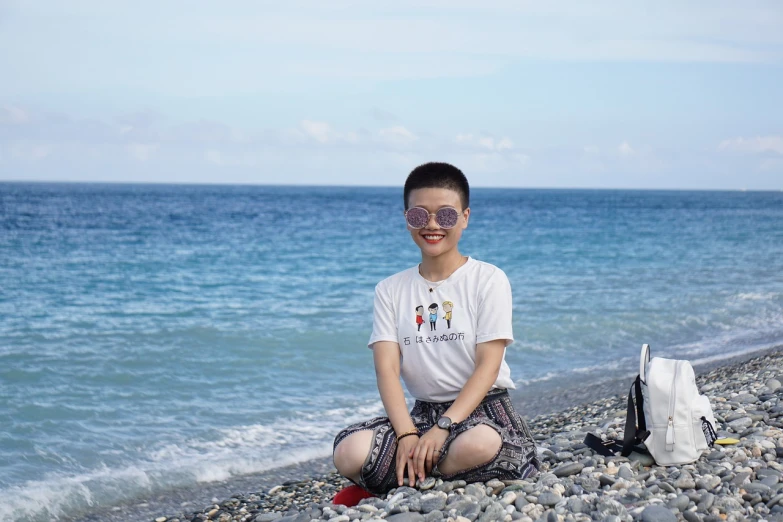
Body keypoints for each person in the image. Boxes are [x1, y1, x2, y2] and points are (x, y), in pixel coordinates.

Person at [332, 162, 539, 501]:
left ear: (465, 217)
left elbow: (488, 366)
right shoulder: (390, 289)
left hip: (482, 413)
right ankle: (425, 473)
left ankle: (399, 481)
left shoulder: (488, 279)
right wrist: (406, 435)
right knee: (348, 452)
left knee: (481, 443)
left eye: (445, 216)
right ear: (406, 218)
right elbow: (387, 370)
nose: (431, 225)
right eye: (418, 215)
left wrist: (445, 427)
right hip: (421, 416)